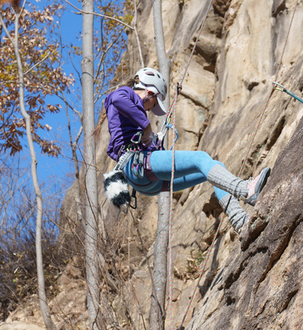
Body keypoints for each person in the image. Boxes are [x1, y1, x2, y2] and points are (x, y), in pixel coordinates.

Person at [104, 66, 271, 233]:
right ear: (150, 93)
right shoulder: (123, 93)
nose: (148, 110)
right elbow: (119, 100)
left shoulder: (132, 119)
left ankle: (240, 222)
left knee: (213, 166)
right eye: (152, 105)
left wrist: (155, 142)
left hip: (147, 181)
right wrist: (147, 127)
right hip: (136, 165)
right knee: (200, 158)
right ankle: (245, 189)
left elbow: (147, 147)